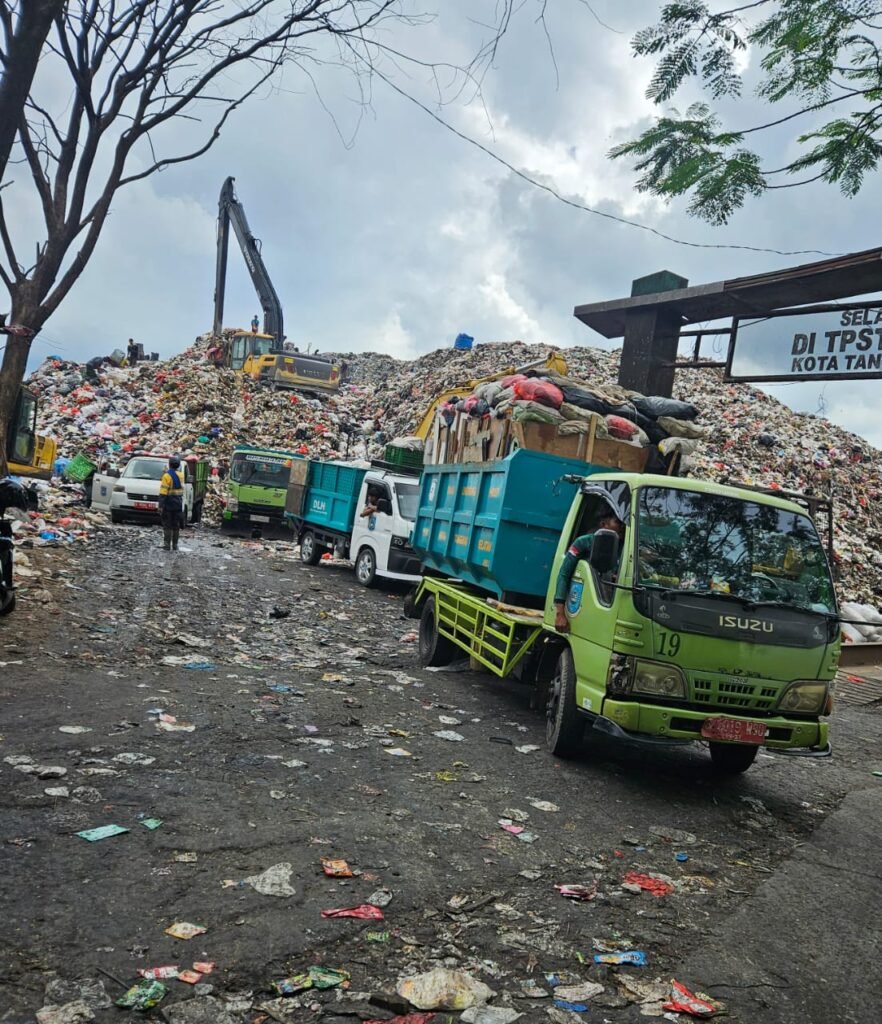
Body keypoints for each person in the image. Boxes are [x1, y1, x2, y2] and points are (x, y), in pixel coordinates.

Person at [553, 513, 625, 633]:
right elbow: (564, 574)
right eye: (618, 522)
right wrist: (560, 614)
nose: (623, 526)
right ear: (604, 524)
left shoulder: (625, 548)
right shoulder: (583, 542)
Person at [158, 455, 185, 551]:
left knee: (167, 525)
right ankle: (175, 545)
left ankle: (166, 544)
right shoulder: (181, 475)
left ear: (169, 464)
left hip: (168, 504)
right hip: (178, 503)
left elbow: (163, 492)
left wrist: (160, 506)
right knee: (176, 525)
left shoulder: (166, 476)